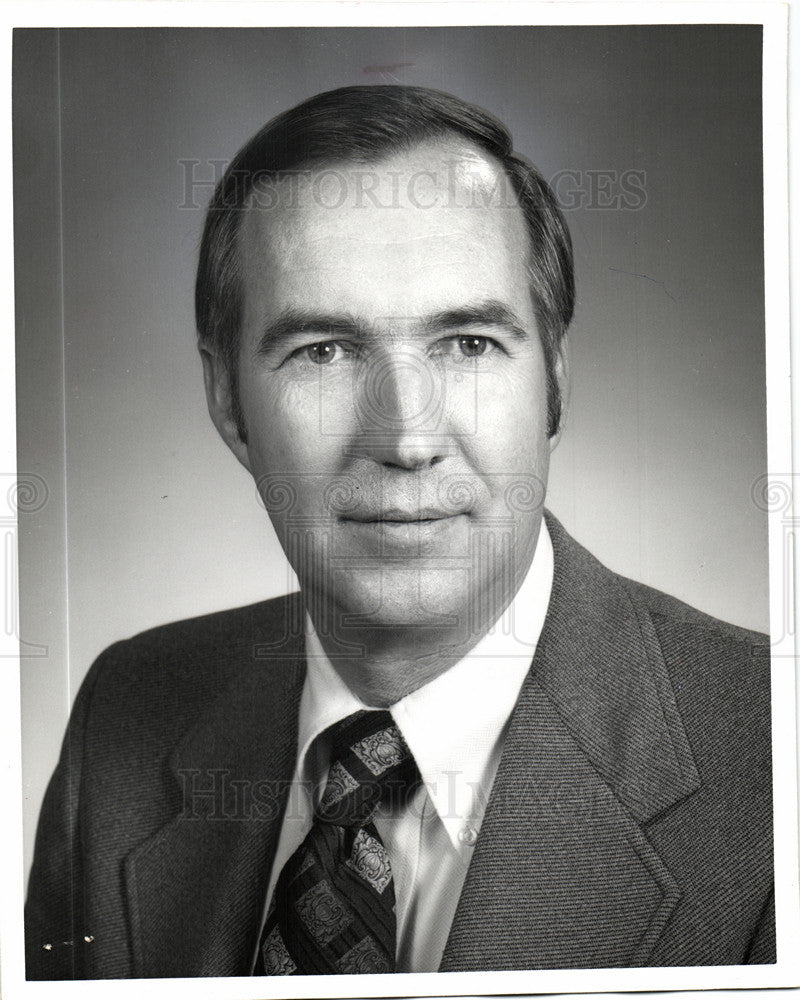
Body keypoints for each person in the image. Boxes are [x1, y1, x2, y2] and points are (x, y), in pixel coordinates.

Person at [25, 85, 774, 980]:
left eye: (466, 343)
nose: (408, 439)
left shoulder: (773, 758)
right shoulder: (127, 713)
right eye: (325, 352)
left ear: (556, 381)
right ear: (228, 400)